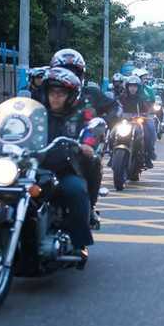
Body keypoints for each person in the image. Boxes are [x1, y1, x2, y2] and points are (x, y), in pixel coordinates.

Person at [49, 48, 119, 226]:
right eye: (63, 70)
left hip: (79, 147)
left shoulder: (90, 94)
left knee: (92, 162)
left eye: (73, 72)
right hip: (44, 148)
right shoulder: (44, 92)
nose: (67, 75)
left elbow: (114, 108)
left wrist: (102, 126)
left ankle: (88, 206)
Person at [38, 67, 94, 265]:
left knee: (77, 191)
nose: (55, 97)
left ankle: (79, 243)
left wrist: (87, 144)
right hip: (30, 168)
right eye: (52, 92)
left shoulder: (76, 115)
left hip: (62, 170)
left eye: (60, 93)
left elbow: (91, 129)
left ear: (70, 96)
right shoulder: (36, 113)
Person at [119, 75, 153, 167]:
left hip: (138, 122)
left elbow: (148, 108)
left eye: (135, 86)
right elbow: (116, 107)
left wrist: (146, 114)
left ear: (138, 87)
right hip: (125, 122)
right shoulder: (122, 97)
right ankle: (112, 154)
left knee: (149, 132)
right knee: (113, 132)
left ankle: (149, 155)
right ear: (127, 87)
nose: (132, 88)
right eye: (131, 86)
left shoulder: (142, 98)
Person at [133, 68, 158, 160]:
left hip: (144, 117)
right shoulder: (127, 90)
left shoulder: (149, 90)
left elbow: (152, 103)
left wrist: (147, 113)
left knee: (151, 130)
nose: (145, 80)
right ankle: (113, 154)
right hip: (129, 118)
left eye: (146, 78)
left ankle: (149, 153)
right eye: (143, 78)